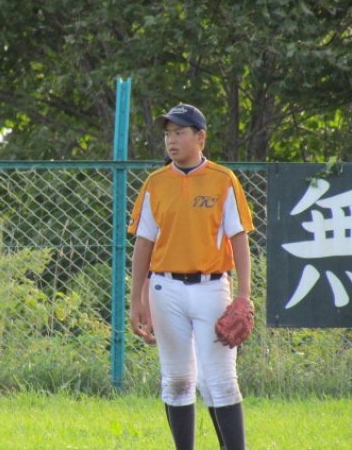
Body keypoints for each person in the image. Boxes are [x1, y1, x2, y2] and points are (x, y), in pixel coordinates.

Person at [128, 103, 255, 450]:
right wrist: (137, 299)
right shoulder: (156, 183)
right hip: (164, 287)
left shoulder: (222, 179)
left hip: (212, 288)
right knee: (177, 380)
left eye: (180, 132)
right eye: (168, 133)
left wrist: (243, 295)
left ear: (200, 138)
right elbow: (143, 243)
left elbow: (239, 237)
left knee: (221, 381)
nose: (171, 140)